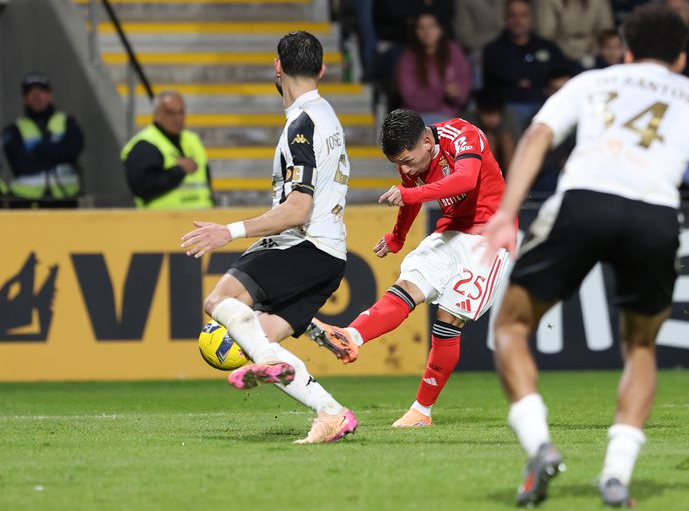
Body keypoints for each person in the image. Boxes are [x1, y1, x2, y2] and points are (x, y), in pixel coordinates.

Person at [481, 3, 689, 507]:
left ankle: (540, 445)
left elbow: (537, 136)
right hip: (655, 218)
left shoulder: (593, 80)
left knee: (509, 327)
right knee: (640, 349)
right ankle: (615, 476)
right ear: (681, 58)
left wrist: (506, 212)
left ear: (628, 49)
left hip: (584, 202)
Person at [179, 32, 357, 444]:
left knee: (218, 302)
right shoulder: (326, 114)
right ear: (322, 69)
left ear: (277, 66)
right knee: (259, 336)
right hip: (330, 255)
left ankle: (270, 364)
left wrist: (229, 231)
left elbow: (297, 210)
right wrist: (314, 331)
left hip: (303, 244)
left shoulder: (301, 126)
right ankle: (331, 413)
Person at [307, 110, 510, 428]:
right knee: (407, 287)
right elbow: (410, 201)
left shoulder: (463, 135)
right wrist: (397, 238)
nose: (404, 169)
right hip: (451, 232)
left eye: (407, 160)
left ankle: (421, 412)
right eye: (397, 164)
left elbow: (465, 179)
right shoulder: (411, 163)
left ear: (428, 141)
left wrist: (409, 192)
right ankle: (352, 335)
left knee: (448, 318)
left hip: (491, 237)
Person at [483, 0, 572, 128]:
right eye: (513, 15)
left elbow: (565, 72)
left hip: (545, 104)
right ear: (505, 18)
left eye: (523, 15)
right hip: (509, 108)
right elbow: (494, 87)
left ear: (532, 18)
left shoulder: (547, 46)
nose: (518, 20)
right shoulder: (493, 50)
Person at [2, 72, 83, 208]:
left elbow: (73, 151)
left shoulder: (67, 122)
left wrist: (40, 150)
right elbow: (21, 164)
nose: (37, 96)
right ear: (24, 98)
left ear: (50, 95)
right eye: (31, 93)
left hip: (65, 200)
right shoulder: (13, 130)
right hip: (26, 202)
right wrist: (56, 151)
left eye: (42, 91)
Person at [121, 91, 213, 209]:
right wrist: (178, 171)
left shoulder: (192, 140)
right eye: (171, 113)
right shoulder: (145, 144)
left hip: (200, 217)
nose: (178, 118)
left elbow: (206, 181)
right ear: (157, 114)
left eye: (181, 112)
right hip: (161, 221)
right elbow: (143, 188)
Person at [396, 12, 472, 125]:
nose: (427, 32)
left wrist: (457, 93)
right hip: (417, 118)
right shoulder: (407, 59)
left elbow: (465, 83)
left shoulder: (453, 51)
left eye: (431, 26)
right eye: (421, 28)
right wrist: (441, 91)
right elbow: (410, 97)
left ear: (440, 29)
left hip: (450, 116)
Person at [461, 88, 520, 175]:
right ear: (479, 112)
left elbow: (518, 144)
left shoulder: (510, 117)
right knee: (488, 139)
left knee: (506, 139)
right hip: (478, 162)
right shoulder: (468, 119)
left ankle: (512, 181)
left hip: (508, 163)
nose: (491, 119)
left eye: (495, 114)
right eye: (487, 114)